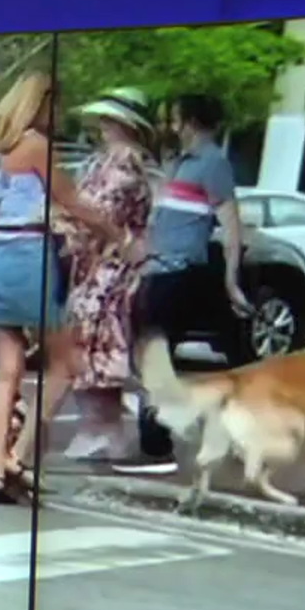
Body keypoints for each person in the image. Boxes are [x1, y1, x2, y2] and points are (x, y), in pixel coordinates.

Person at [0, 72, 136, 503]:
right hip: (31, 256)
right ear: (40, 103)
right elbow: (74, 203)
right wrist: (118, 237)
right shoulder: (36, 146)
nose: (57, 115)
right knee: (65, 363)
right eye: (54, 106)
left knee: (8, 371)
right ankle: (20, 455)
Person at [117, 93, 250, 475]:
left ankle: (156, 447)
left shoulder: (213, 164)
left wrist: (231, 279)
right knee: (146, 355)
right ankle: (169, 433)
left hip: (179, 273)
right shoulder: (176, 164)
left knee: (154, 355)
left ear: (190, 122)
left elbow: (231, 226)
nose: (170, 126)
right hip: (156, 270)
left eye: (174, 119)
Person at [59, 87, 156, 461]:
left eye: (107, 120)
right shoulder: (109, 161)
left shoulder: (123, 165)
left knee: (96, 342)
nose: (101, 126)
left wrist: (65, 219)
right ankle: (102, 428)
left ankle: (101, 428)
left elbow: (99, 214)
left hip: (110, 267)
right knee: (91, 342)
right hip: (98, 264)